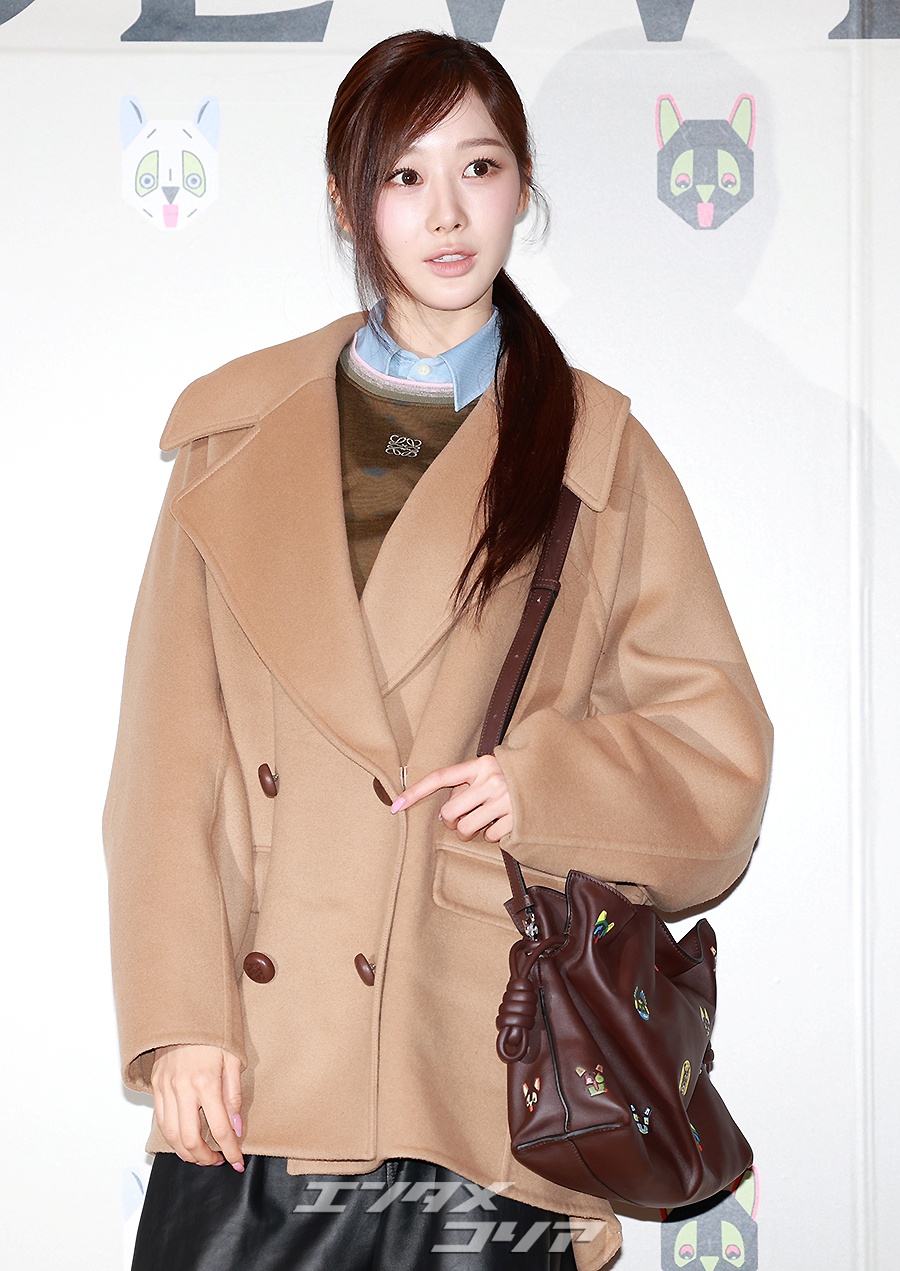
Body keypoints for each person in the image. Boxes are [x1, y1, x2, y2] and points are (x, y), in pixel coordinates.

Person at [104, 29, 773, 1271]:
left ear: (524, 185)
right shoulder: (233, 432)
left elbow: (719, 762)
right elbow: (166, 758)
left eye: (479, 167)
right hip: (264, 1073)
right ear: (345, 200)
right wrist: (181, 1016)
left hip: (481, 1073)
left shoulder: (599, 456)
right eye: (404, 175)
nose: (447, 212)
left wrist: (547, 783)